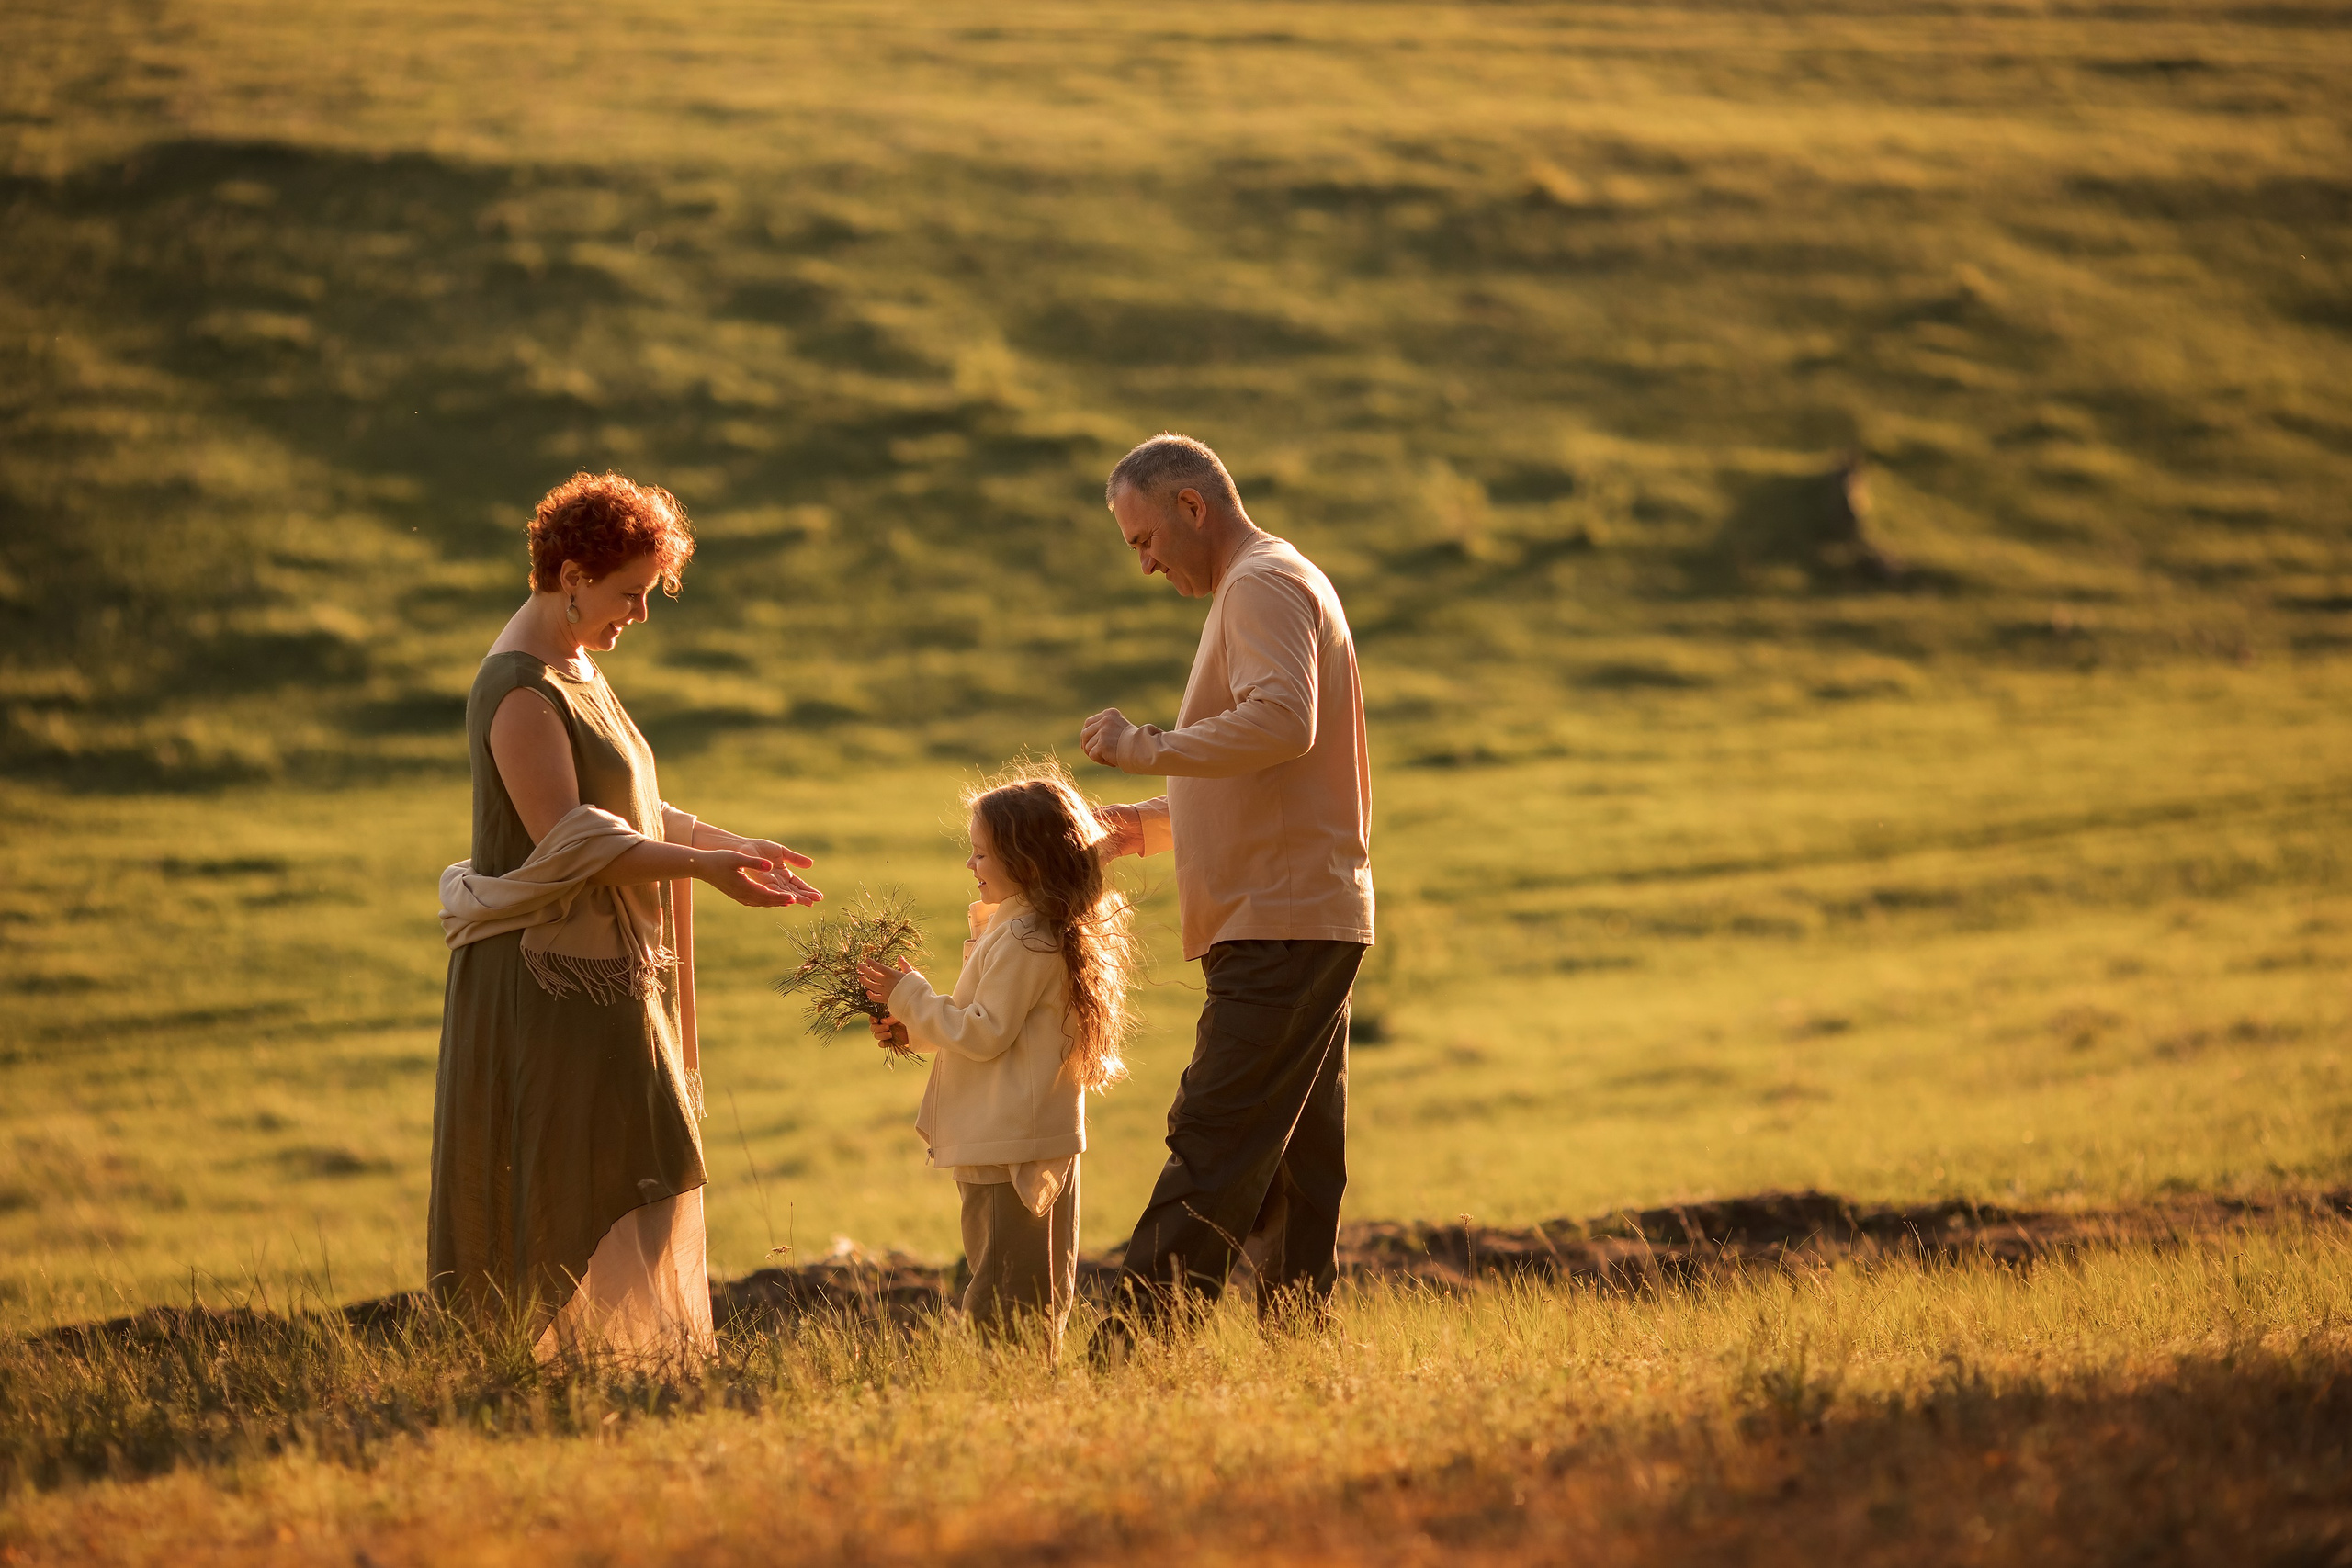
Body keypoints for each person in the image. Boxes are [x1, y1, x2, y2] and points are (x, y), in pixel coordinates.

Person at [430, 470, 822, 1363]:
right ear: (570, 575)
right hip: (546, 983)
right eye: (629, 595)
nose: (638, 616)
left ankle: (644, 1368)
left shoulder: (579, 668)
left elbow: (631, 811)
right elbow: (571, 841)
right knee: (577, 1181)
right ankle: (555, 1371)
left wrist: (732, 844)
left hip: (611, 975)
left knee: (651, 1161)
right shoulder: (521, 691)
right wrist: (704, 871)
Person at [1080, 433, 1374, 1328]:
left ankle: (1133, 1353)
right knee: (1295, 1159)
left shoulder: (1260, 585)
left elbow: (1283, 722)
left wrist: (1146, 749)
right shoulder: (1276, 581)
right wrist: (1153, 828)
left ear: (1191, 508)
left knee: (1214, 1138)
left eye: (1143, 540)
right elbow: (1280, 769)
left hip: (1277, 920)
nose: (1145, 565)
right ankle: (1298, 1346)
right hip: (1302, 910)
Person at [856, 761, 1134, 1350]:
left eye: (981, 853)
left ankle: (1006, 1391)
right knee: (1035, 1281)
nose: (970, 865)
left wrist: (907, 996)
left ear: (1026, 862)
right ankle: (1031, 1383)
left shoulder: (1025, 937)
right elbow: (987, 1023)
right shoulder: (1025, 928)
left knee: (1007, 1288)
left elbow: (983, 1032)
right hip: (1026, 1137)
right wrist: (915, 1027)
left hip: (1009, 1145)